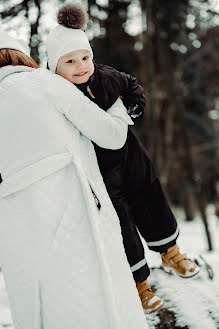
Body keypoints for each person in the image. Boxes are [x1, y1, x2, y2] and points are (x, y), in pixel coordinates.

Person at [45, 3, 200, 315]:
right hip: (99, 172)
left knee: (152, 201)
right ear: (53, 67)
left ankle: (170, 251)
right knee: (121, 225)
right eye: (70, 61)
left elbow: (134, 89)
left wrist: (130, 110)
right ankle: (140, 283)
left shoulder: (106, 78)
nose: (81, 66)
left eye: (85, 57)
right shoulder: (56, 94)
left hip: (131, 159)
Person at [0, 31, 149, 329]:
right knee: (99, 304)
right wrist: (117, 103)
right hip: (77, 214)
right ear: (22, 57)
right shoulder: (44, 82)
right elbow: (111, 136)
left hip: (16, 228)